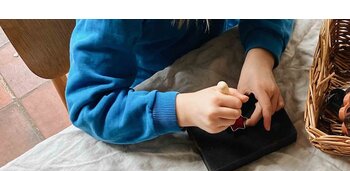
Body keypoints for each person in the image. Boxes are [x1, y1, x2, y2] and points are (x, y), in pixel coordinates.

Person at [66, 19, 295, 144]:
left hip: (216, 47)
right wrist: (182, 109)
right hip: (148, 88)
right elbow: (90, 105)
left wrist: (260, 55)